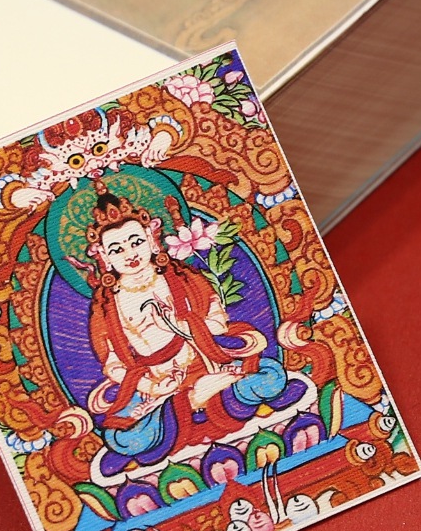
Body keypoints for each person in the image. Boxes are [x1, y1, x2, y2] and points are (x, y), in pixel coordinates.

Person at [81, 183, 294, 476]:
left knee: (271, 376)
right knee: (122, 438)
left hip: (205, 361)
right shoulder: (107, 305)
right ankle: (196, 398)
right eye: (117, 249)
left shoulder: (179, 276)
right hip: (158, 384)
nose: (130, 254)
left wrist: (193, 327)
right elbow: (114, 365)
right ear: (105, 257)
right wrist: (152, 387)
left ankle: (202, 394)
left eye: (136, 242)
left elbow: (216, 316)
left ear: (151, 239)